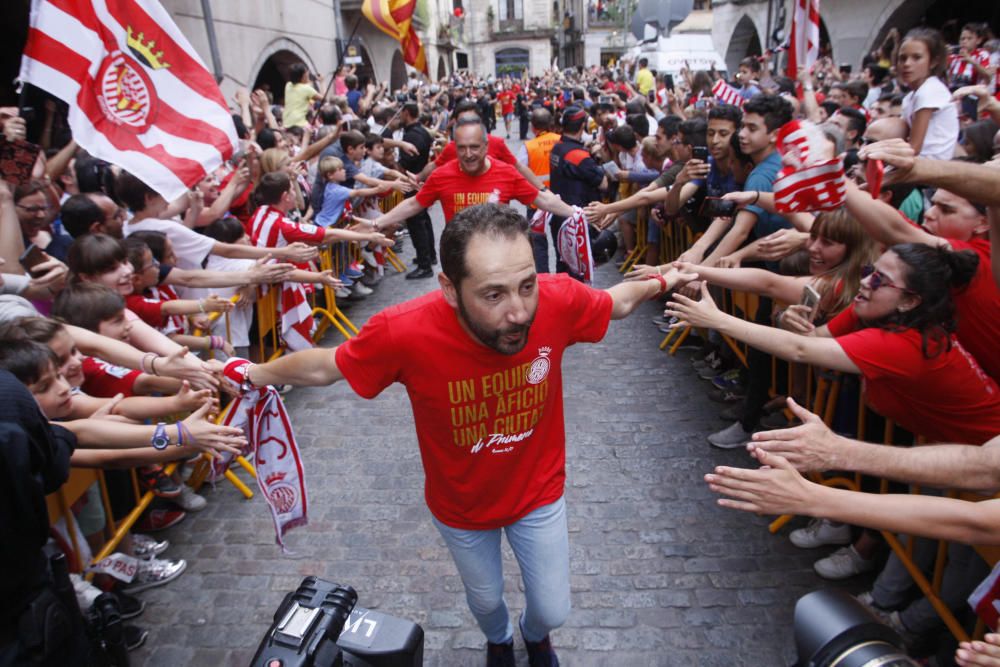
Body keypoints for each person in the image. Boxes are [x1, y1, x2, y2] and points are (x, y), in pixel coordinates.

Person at [220, 203, 687, 667]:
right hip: (460, 507)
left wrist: (667, 279)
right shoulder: (403, 331)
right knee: (484, 603)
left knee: (553, 608)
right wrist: (252, 373)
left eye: (527, 286)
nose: (520, 312)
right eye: (493, 295)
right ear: (449, 289)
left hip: (539, 493)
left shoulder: (558, 298)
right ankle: (501, 640)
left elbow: (617, 302)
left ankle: (534, 634)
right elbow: (327, 366)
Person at [897, 28, 959, 160]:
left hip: (931, 169)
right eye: (903, 58)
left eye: (916, 57)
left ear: (933, 62)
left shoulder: (930, 90)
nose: (907, 64)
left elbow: (914, 148)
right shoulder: (910, 97)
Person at [516, 108, 561, 273]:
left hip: (537, 203)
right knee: (561, 242)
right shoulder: (561, 141)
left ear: (533, 127)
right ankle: (562, 276)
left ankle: (544, 279)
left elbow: (519, 172)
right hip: (560, 201)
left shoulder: (528, 147)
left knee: (538, 244)